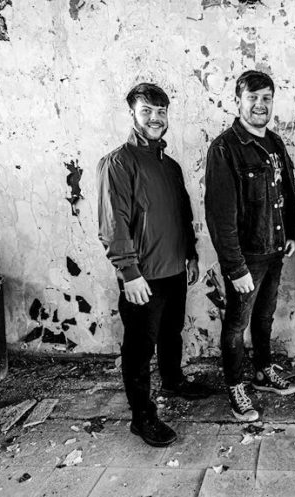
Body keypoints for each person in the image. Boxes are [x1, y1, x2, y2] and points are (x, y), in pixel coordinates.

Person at [97, 83, 211, 447]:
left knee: (171, 333)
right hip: (142, 277)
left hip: (174, 269)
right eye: (146, 111)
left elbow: (181, 213)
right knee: (139, 348)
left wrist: (190, 254)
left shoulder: (170, 165)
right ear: (132, 113)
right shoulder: (119, 162)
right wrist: (128, 273)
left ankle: (173, 381)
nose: (155, 118)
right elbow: (113, 223)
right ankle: (142, 417)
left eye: (161, 111)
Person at [205, 70, 295, 422]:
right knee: (236, 323)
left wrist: (291, 233)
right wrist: (235, 267)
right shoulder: (224, 148)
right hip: (246, 258)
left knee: (264, 316)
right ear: (237, 102)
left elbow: (286, 190)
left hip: (274, 250)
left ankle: (262, 372)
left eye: (266, 98)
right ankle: (235, 385)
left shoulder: (274, 141)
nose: (260, 105)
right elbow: (220, 217)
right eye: (252, 98)